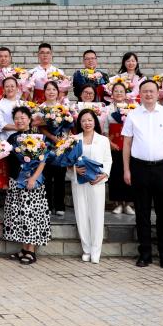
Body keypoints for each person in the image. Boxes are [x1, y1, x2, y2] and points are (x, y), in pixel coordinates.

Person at [122, 79, 163, 268]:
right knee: (142, 212)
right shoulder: (133, 115)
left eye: (152, 91)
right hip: (139, 168)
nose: (148, 94)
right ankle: (145, 253)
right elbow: (127, 144)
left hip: (162, 168)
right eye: (145, 91)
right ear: (140, 94)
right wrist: (126, 169)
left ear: (158, 94)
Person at [2, 106, 50, 265]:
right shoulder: (12, 138)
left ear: (29, 119)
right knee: (20, 215)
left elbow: (43, 160)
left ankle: (31, 251)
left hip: (32, 182)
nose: (19, 121)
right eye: (16, 118)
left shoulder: (38, 137)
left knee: (32, 215)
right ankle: (24, 249)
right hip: (16, 180)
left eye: (22, 118)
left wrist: (33, 178)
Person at [69, 108, 111, 263]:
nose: (87, 123)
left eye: (90, 120)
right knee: (81, 214)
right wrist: (74, 169)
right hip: (79, 182)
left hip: (96, 182)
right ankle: (86, 249)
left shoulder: (103, 140)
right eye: (84, 120)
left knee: (97, 215)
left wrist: (104, 174)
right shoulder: (74, 139)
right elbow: (68, 161)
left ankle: (96, 250)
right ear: (79, 123)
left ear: (95, 122)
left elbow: (108, 160)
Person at [36, 81, 70, 217]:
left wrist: (63, 140)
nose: (51, 92)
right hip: (46, 144)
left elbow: (68, 126)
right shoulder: (40, 109)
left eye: (53, 89)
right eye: (48, 89)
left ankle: (60, 205)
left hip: (61, 145)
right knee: (47, 176)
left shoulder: (63, 108)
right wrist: (52, 137)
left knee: (60, 176)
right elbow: (40, 127)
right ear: (44, 92)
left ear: (58, 92)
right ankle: (48, 205)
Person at [106, 82, 135, 215]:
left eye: (121, 91)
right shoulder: (107, 109)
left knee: (129, 172)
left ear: (125, 94)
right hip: (113, 145)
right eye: (116, 91)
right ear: (112, 94)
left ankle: (128, 203)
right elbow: (105, 129)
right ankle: (117, 203)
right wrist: (110, 143)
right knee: (115, 173)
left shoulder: (132, 108)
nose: (118, 93)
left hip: (129, 145)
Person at [0, 76, 22, 141]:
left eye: (12, 86)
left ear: (17, 88)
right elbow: (0, 124)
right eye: (7, 86)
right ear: (3, 89)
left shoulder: (23, 103)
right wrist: (18, 128)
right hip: (6, 140)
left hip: (23, 138)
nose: (10, 89)